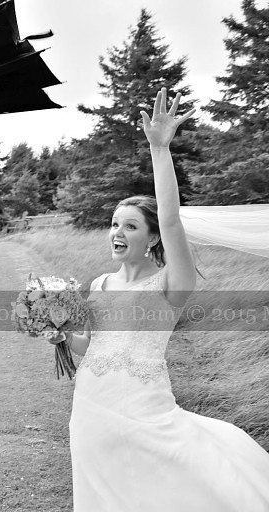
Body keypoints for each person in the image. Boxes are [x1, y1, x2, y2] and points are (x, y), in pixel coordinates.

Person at [60, 88, 269, 511]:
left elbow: (171, 217)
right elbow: (87, 347)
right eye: (114, 224)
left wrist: (159, 149)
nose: (117, 232)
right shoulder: (98, 285)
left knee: (168, 484)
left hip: (146, 408)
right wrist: (60, 333)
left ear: (153, 237)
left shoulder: (171, 285)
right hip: (91, 409)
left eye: (131, 226)